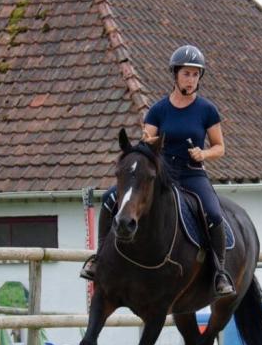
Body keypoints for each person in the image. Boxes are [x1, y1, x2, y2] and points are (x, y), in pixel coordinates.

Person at [81, 45, 234, 297]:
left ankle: (220, 272)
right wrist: (147, 141)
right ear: (175, 75)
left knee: (214, 214)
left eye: (196, 75)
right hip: (162, 173)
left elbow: (220, 147)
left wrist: (203, 153)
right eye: (187, 73)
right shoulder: (158, 110)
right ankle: (99, 259)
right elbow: (147, 138)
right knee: (110, 199)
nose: (191, 79)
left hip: (192, 173)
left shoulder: (207, 110)